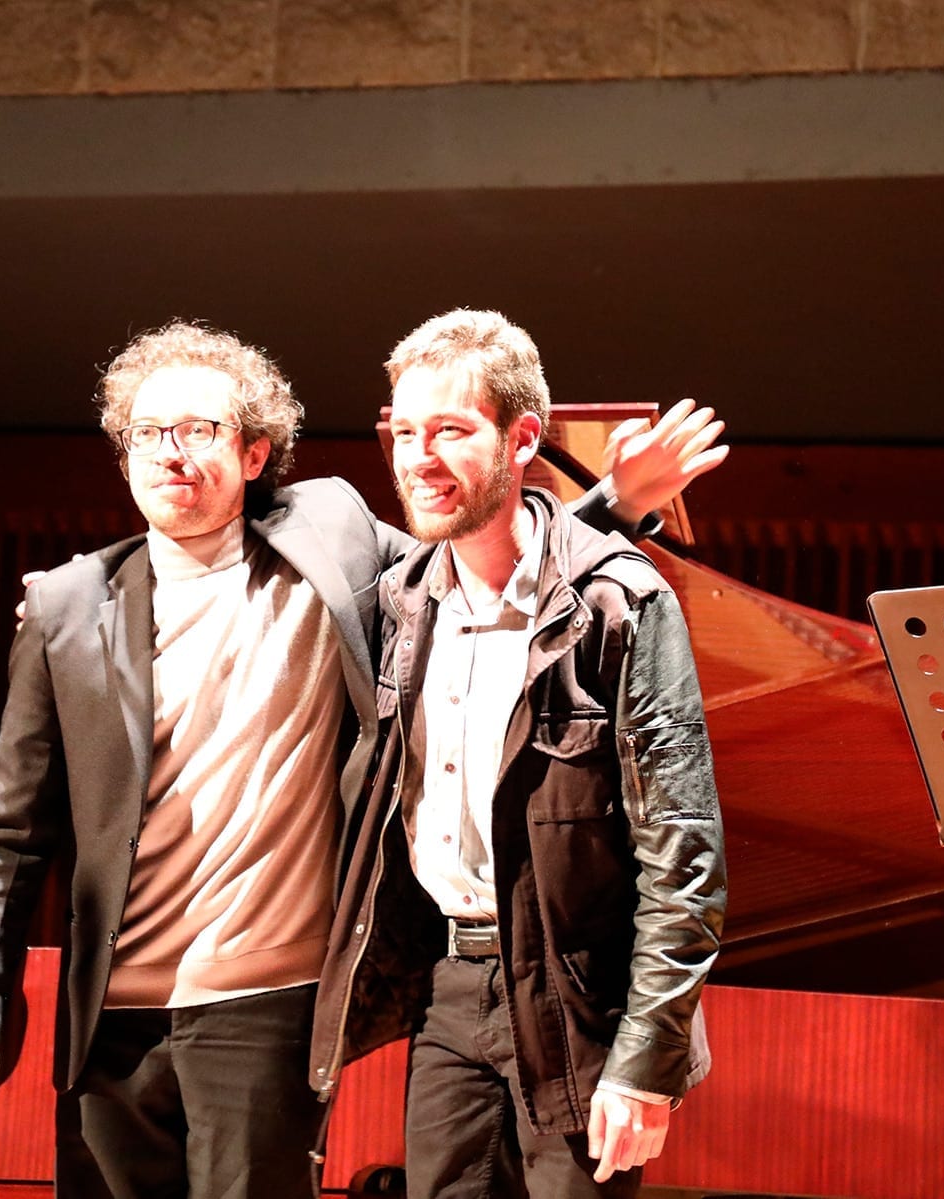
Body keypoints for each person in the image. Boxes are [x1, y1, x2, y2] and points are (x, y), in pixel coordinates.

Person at [0, 318, 726, 1199]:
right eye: (147, 432)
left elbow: (493, 564)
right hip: (107, 1018)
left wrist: (617, 502)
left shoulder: (333, 537)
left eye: (199, 428)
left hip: (267, 1003)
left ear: (256, 451)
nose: (171, 451)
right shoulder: (69, 605)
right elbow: (6, 835)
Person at [311, 310, 727, 1198]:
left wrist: (645, 1062)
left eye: (451, 431)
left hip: (580, 997)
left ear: (523, 437)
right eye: (405, 432)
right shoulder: (398, 602)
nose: (419, 458)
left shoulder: (619, 600)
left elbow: (683, 847)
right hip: (447, 987)